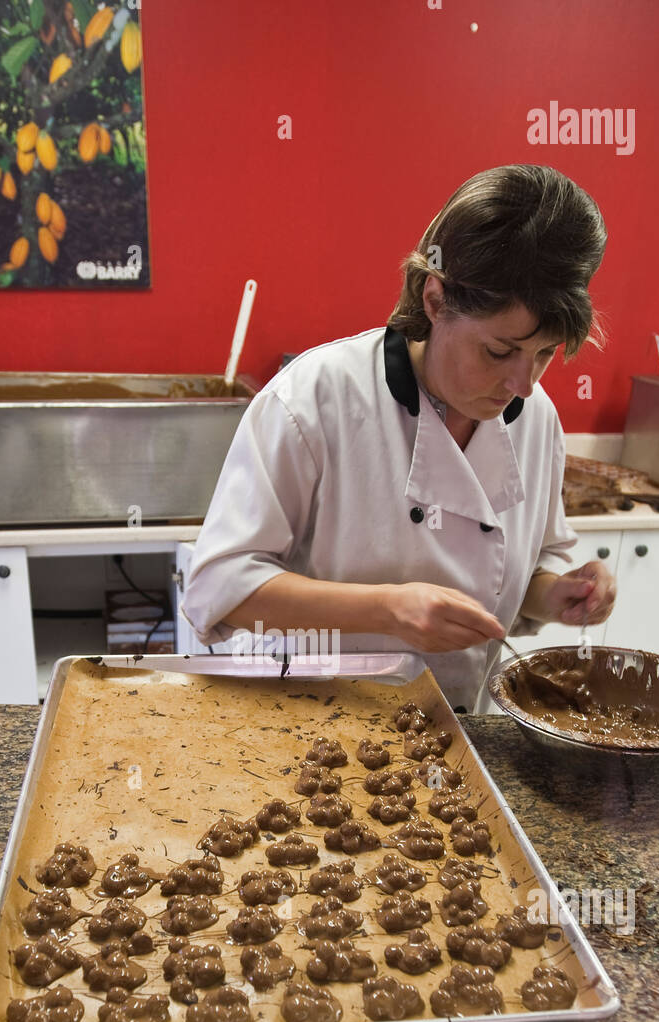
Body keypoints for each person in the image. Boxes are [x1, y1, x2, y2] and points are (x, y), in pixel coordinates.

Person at [181, 164, 617, 711]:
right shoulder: (315, 399)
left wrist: (559, 594)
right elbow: (221, 585)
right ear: (435, 301)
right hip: (311, 725)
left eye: (546, 355)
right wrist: (388, 611)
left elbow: (522, 571)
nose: (523, 386)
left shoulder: (537, 417)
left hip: (456, 731)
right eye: (499, 352)